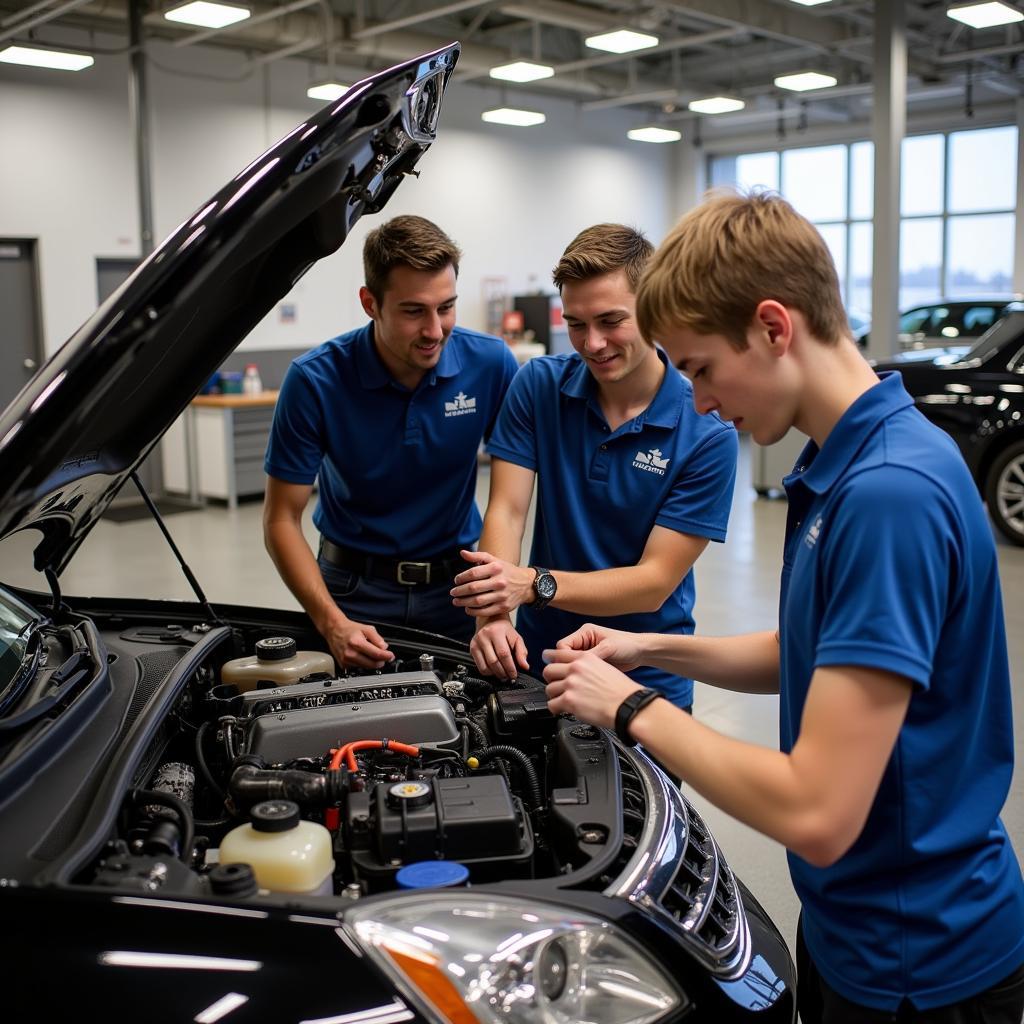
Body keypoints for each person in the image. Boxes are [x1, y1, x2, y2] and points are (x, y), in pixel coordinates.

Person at [542, 191, 1024, 1022]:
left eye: (698, 368)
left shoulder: (887, 497)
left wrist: (633, 709)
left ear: (773, 326)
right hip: (856, 929)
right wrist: (646, 650)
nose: (696, 402)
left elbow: (817, 810)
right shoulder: (857, 460)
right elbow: (804, 651)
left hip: (921, 962)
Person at [449, 223, 737, 711]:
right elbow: (507, 510)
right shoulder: (538, 385)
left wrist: (534, 584)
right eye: (576, 323)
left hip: (644, 677)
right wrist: (494, 617)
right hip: (543, 661)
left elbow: (653, 583)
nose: (593, 343)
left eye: (611, 321)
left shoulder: (706, 430)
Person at [263, 214, 519, 669]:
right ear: (370, 302)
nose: (435, 330)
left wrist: (494, 608)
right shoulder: (315, 380)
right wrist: (331, 622)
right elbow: (281, 518)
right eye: (413, 311)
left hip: (459, 591)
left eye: (446, 307)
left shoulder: (491, 364)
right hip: (353, 594)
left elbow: (509, 503)